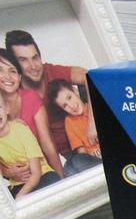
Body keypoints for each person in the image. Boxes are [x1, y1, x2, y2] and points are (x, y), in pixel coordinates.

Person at [5, 30, 97, 176]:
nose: (33, 66)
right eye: (23, 60)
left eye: (35, 57)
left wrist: (92, 122)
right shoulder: (12, 91)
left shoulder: (51, 71)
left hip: (84, 150)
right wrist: (6, 170)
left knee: (77, 167)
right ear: (15, 64)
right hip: (47, 165)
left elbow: (91, 77)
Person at [0, 49, 63, 179]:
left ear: (19, 77)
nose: (7, 76)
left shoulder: (31, 98)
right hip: (16, 181)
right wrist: (6, 172)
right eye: (0, 70)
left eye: (12, 71)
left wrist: (61, 180)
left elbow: (47, 145)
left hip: (43, 172)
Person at [0, 97, 59, 198]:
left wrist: (20, 196)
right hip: (18, 184)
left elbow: (36, 172)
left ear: (7, 109)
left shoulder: (20, 129)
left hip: (42, 176)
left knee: (52, 184)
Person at [47, 78, 101, 161]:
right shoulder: (69, 122)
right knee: (77, 161)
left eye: (69, 97)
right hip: (93, 160)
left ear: (75, 91)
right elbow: (82, 153)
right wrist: (93, 155)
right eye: (65, 105)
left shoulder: (93, 107)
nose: (71, 106)